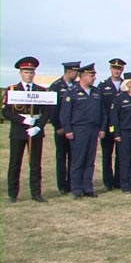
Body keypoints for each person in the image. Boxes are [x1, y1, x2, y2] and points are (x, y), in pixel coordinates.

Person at [3, 56, 50, 203]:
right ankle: (12, 193)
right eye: (25, 71)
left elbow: (47, 111)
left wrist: (38, 126)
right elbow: (6, 112)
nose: (28, 74)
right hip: (18, 130)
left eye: (31, 72)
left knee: (35, 163)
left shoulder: (41, 91)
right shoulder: (13, 90)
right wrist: (23, 120)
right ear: (20, 73)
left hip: (35, 130)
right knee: (15, 162)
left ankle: (36, 193)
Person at [61, 63, 106, 199]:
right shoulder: (72, 92)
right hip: (79, 129)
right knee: (78, 160)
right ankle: (76, 189)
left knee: (89, 160)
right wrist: (68, 129)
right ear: (84, 76)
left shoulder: (96, 92)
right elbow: (65, 114)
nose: (94, 78)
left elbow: (103, 112)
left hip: (93, 129)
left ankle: (88, 188)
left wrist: (102, 128)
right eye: (92, 75)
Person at [48, 60, 80, 195]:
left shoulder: (77, 86)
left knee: (74, 157)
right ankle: (62, 185)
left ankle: (73, 183)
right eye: (76, 71)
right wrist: (58, 126)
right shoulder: (56, 86)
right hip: (61, 129)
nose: (77, 74)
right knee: (61, 156)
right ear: (69, 71)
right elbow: (52, 109)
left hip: (74, 128)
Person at [99, 58, 125, 191]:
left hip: (122, 126)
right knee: (106, 155)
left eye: (119, 68)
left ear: (122, 70)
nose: (117, 71)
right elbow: (100, 107)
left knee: (121, 155)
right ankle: (107, 181)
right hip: (107, 125)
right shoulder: (103, 85)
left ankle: (118, 180)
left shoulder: (126, 84)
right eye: (114, 68)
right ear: (110, 69)